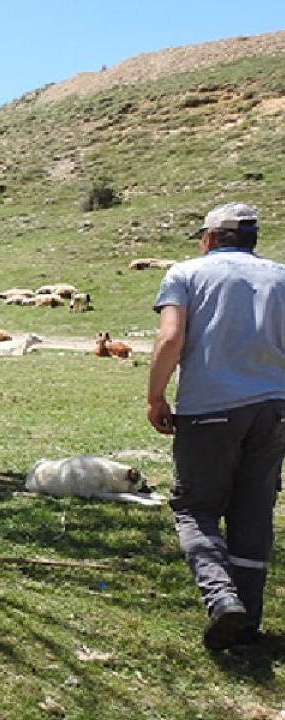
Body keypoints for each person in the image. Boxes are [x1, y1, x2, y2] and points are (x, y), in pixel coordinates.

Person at [148, 201, 285, 650]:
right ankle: (247, 625)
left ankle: (221, 597)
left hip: (209, 408)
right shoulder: (281, 276)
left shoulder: (185, 274)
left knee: (195, 508)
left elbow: (171, 337)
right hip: (273, 409)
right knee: (253, 511)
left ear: (209, 238)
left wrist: (155, 396)